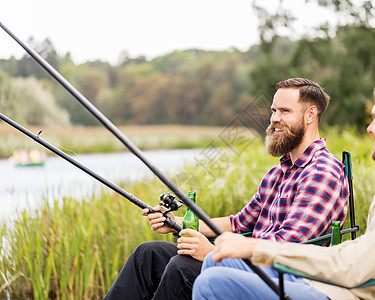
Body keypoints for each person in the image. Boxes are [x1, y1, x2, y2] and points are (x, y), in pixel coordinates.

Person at [193, 71, 375, 300]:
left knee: (212, 282)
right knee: (216, 266)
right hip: (343, 284)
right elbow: (362, 249)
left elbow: (354, 265)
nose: (370, 129)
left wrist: (257, 248)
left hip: (350, 292)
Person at [104, 78, 350, 300]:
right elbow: (238, 223)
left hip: (280, 277)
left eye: (285, 111)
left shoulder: (322, 172)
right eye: (273, 110)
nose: (274, 118)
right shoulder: (278, 173)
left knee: (181, 267)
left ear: (310, 114)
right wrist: (176, 222)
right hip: (247, 263)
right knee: (148, 254)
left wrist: (212, 252)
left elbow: (285, 246)